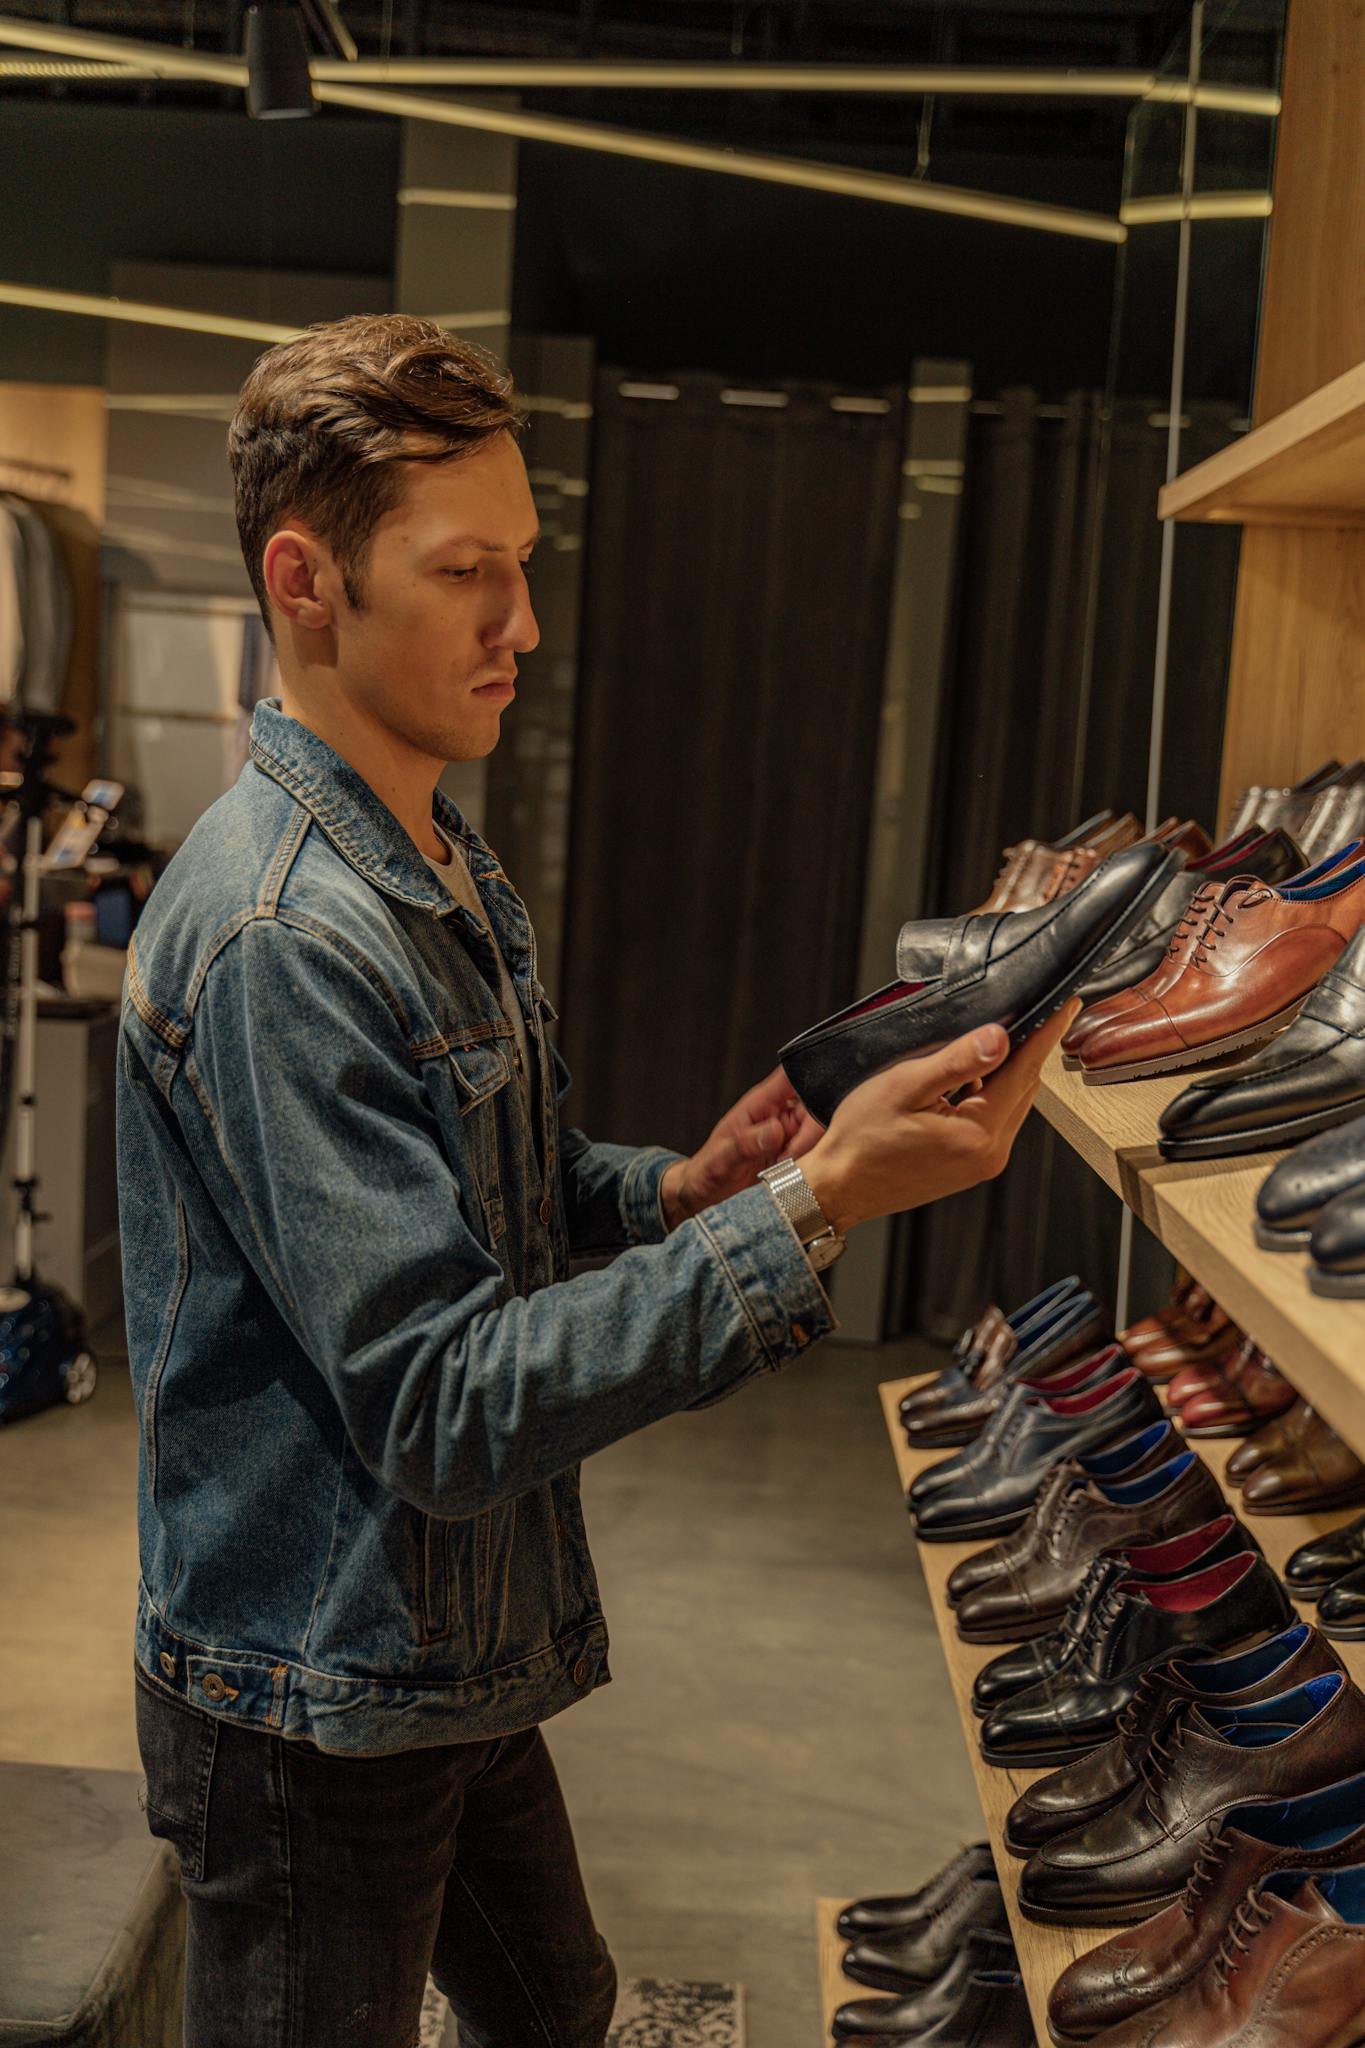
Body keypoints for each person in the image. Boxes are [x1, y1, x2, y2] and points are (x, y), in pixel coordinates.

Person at [116, 313, 1073, 2048]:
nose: (522, 625)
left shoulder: (433, 855)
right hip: (316, 1703)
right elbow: (435, 1400)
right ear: (305, 580)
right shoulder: (280, 936)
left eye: (524, 566)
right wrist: (817, 1211)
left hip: (441, 1651)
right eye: (467, 572)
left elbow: (497, 1197)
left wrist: (685, 1191)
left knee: (557, 2011)